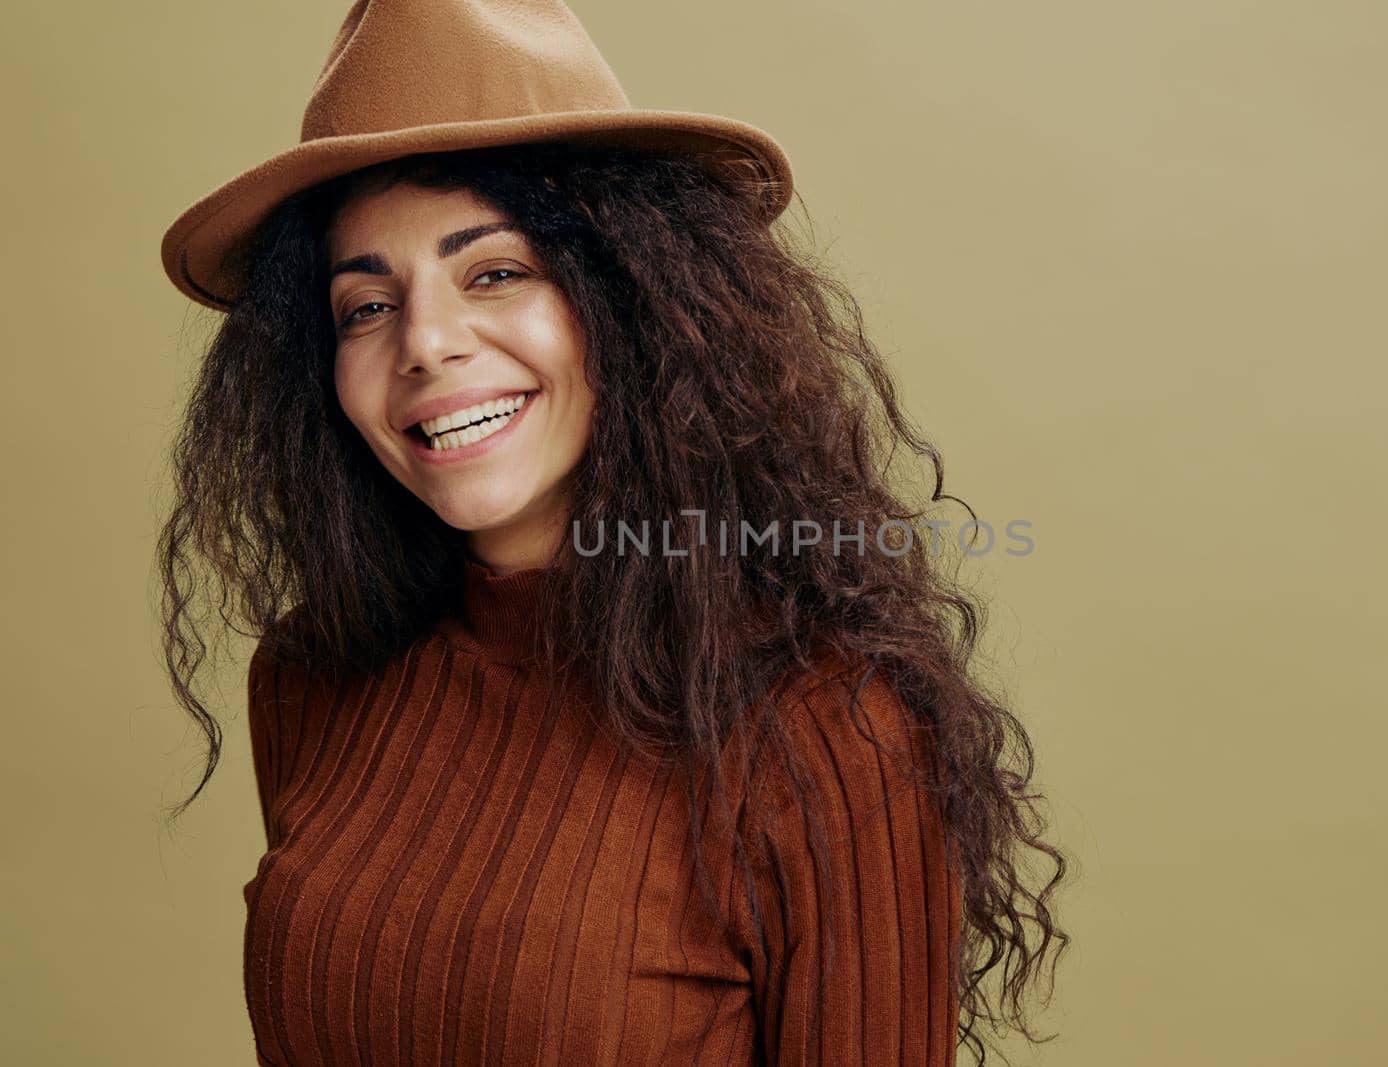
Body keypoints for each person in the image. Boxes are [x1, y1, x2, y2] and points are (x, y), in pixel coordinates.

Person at [155, 3, 1071, 1064]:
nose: (425, 343)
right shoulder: (314, 675)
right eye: (365, 305)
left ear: (633, 295)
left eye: (495, 271)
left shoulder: (825, 720)